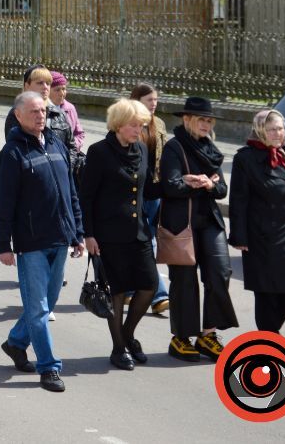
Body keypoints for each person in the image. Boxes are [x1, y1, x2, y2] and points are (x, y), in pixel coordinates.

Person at [0, 91, 85, 392]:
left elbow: (70, 192)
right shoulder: (12, 153)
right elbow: (5, 203)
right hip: (31, 242)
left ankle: (16, 342)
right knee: (37, 309)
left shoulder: (56, 143)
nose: (40, 116)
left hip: (60, 238)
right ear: (18, 116)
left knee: (47, 303)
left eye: (43, 111)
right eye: (33, 112)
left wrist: (78, 233)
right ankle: (49, 368)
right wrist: (3, 244)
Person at [80, 99, 160, 371]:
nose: (139, 129)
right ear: (118, 124)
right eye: (134, 125)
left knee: (149, 285)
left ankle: (127, 334)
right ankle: (118, 349)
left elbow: (148, 188)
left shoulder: (141, 149)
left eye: (142, 125)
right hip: (108, 235)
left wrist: (180, 182)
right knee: (116, 292)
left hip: (139, 234)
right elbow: (86, 197)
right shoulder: (99, 152)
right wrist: (88, 234)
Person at [160, 96, 236, 362]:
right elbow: (169, 186)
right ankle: (181, 338)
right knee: (184, 281)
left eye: (209, 120)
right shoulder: (174, 147)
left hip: (210, 222)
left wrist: (209, 185)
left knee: (220, 273)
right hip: (182, 223)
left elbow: (222, 189)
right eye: (201, 119)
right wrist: (192, 183)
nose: (206, 124)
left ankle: (208, 335)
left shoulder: (211, 149)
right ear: (187, 119)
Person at [229, 109, 285, 334]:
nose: (277, 133)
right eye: (271, 130)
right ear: (260, 131)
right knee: (267, 292)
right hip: (262, 236)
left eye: (280, 128)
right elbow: (239, 200)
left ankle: (267, 335)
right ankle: (268, 340)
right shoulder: (245, 158)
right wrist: (239, 236)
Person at [129, 83, 171, 314]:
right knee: (147, 243)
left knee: (143, 243)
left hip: (154, 193)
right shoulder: (127, 124)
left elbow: (164, 159)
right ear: (137, 101)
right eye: (149, 100)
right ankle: (159, 294)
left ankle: (127, 289)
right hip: (133, 193)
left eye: (155, 100)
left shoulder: (160, 125)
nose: (153, 104)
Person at [48, 72, 85, 151]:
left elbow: (79, 133)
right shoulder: (42, 110)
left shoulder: (70, 108)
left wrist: (73, 146)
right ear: (47, 91)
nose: (62, 93)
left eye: (64, 89)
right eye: (57, 90)